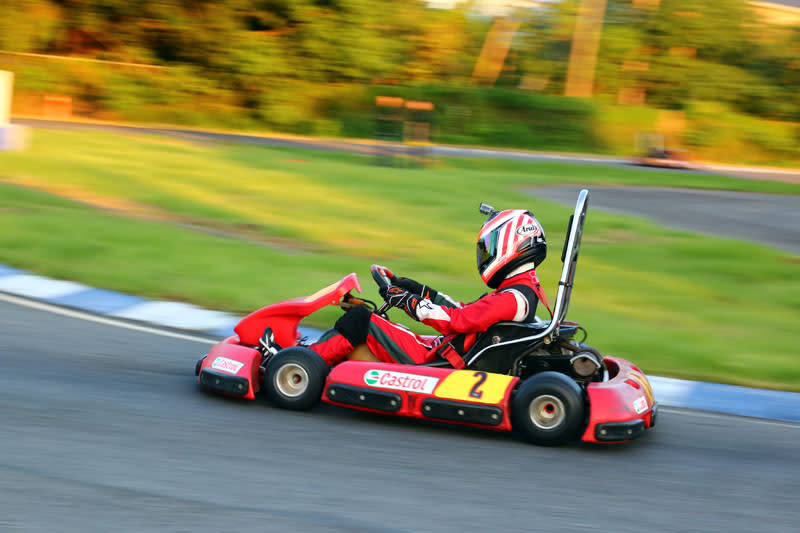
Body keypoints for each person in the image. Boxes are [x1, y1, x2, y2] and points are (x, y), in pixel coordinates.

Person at [261, 207, 550, 368]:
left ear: (513, 246)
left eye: (489, 249)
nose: (485, 256)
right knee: (366, 320)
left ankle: (297, 363)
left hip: (436, 358)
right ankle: (309, 355)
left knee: (361, 319)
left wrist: (406, 302)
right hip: (446, 349)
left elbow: (455, 321)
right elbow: (464, 312)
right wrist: (416, 289)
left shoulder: (512, 298)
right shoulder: (521, 291)